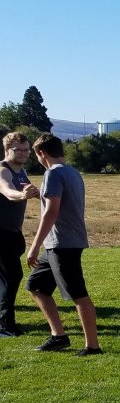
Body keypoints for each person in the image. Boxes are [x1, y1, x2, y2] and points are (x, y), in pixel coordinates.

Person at [25, 133, 101, 354]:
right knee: (36, 286)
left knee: (78, 294)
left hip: (62, 243)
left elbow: (51, 212)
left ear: (41, 153)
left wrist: (34, 244)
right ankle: (58, 336)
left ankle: (93, 346)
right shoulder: (72, 172)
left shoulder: (52, 174)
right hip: (58, 244)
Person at [1, 132, 39, 337]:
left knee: (6, 278)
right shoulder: (3, 170)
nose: (23, 153)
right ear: (7, 150)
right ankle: (4, 325)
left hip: (13, 233)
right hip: (2, 234)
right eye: (18, 150)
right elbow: (7, 191)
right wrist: (22, 195)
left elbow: (28, 190)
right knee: (13, 276)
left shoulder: (21, 171)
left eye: (26, 150)